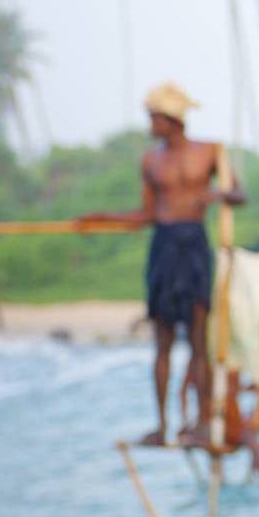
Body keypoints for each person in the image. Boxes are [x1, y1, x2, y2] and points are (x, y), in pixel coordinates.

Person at [80, 82, 245, 447]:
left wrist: (218, 193)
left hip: (195, 246)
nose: (150, 125)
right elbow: (146, 216)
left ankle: (203, 423)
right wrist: (103, 219)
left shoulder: (211, 152)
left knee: (200, 343)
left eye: (154, 118)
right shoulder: (151, 161)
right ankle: (161, 426)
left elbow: (239, 194)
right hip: (164, 248)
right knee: (162, 344)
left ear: (171, 120)